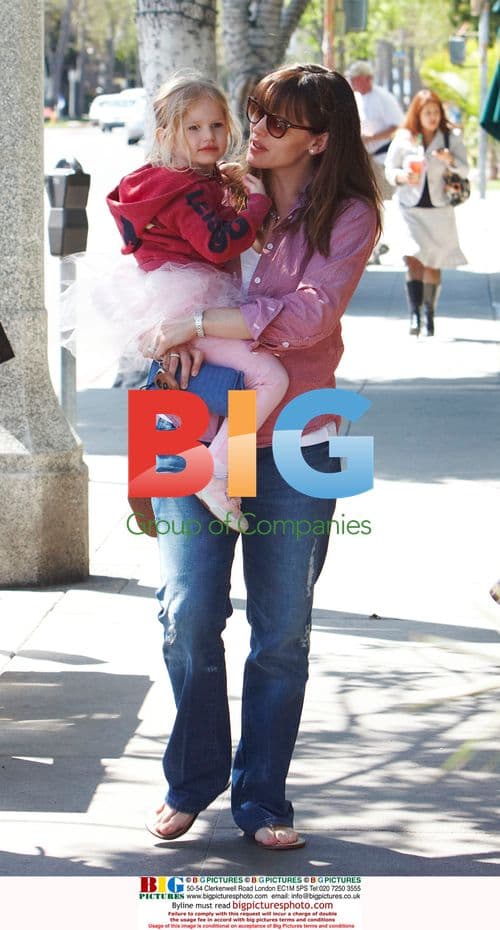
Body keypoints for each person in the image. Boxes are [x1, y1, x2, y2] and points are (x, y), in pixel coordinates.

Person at [142, 64, 381, 850]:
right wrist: (170, 326)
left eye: (278, 120)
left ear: (319, 137)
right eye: (255, 114)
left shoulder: (349, 214)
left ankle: (262, 799)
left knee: (283, 629)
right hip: (183, 414)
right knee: (187, 613)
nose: (257, 130)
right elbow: (145, 262)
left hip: (305, 428)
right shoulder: (215, 188)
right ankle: (192, 779)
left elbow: (307, 319)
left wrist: (203, 320)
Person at [91, 73, 292, 531]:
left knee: (215, 400)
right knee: (268, 377)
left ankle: (209, 484)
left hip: (176, 307)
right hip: (191, 310)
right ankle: (215, 475)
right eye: (194, 128)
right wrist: (256, 206)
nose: (209, 137)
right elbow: (218, 243)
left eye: (217, 125)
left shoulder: (172, 180)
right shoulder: (183, 190)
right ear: (166, 135)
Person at [385, 89, 468, 336]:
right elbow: (390, 169)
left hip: (439, 210)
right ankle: (414, 315)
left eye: (435, 112)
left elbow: (465, 170)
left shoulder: (450, 138)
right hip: (410, 208)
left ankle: (429, 314)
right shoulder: (404, 138)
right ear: (417, 114)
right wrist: (401, 176)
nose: (432, 117)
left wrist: (450, 159)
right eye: (427, 112)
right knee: (412, 258)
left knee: (433, 263)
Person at [347, 60, 404, 262]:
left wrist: (372, 137)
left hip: (380, 156)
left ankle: (376, 245)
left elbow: (397, 125)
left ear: (367, 78)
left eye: (356, 79)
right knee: (364, 200)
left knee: (374, 201)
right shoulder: (355, 98)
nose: (353, 83)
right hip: (362, 157)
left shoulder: (383, 98)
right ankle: (372, 245)